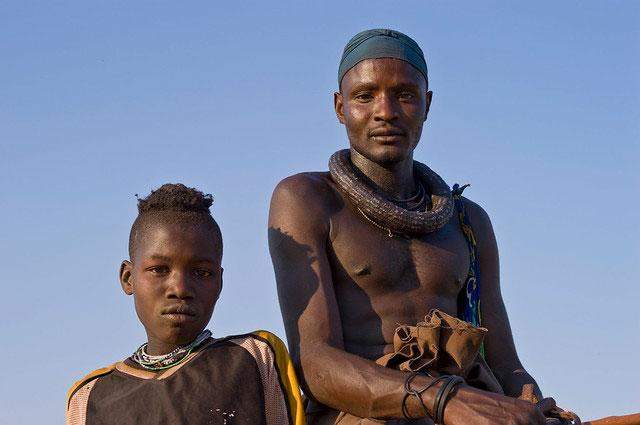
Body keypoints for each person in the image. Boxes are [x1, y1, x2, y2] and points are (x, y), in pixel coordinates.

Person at [268, 29, 576, 424]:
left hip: (468, 406)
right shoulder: (307, 199)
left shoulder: (467, 221)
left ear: (427, 105)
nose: (386, 111)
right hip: (361, 414)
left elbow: (505, 363)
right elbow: (316, 364)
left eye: (405, 95)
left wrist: (529, 402)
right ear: (339, 107)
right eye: (365, 96)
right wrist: (446, 400)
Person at [67, 183, 304, 425]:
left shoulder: (253, 356)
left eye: (201, 273)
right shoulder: (90, 397)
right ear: (129, 278)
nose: (180, 289)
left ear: (219, 283)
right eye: (159, 270)